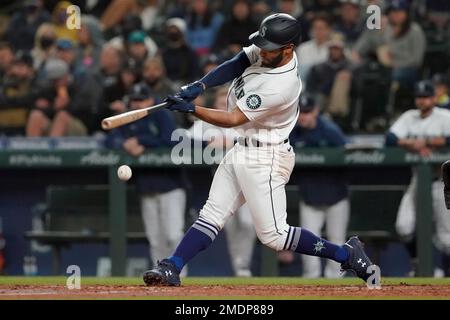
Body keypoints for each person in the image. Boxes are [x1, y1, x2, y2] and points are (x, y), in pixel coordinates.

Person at [142, 13, 374, 286]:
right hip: (242, 148)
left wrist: (192, 109)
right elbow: (238, 61)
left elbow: (233, 119)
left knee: (275, 237)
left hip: (266, 157)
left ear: (288, 49)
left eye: (269, 48)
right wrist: (200, 85)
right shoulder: (270, 51)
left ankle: (346, 254)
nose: (262, 51)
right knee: (211, 214)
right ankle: (172, 266)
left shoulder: (282, 86)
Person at [105, 83, 187, 274]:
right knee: (155, 238)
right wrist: (125, 143)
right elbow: (109, 139)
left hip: (171, 184)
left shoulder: (161, 113)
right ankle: (159, 273)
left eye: (141, 100)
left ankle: (179, 274)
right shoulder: (127, 118)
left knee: (173, 235)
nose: (137, 104)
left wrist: (141, 141)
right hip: (147, 186)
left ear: (150, 100)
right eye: (134, 100)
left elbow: (170, 139)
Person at [186, 86, 257, 277]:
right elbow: (182, 143)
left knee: (248, 224)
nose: (223, 107)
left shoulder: (243, 123)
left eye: (227, 103)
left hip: (243, 185)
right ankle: (240, 268)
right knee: (230, 229)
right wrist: (207, 144)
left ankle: (242, 265)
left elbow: (258, 141)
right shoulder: (203, 124)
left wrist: (231, 143)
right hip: (214, 187)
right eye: (219, 103)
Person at [385, 80, 450, 276]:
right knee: (404, 226)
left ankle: (446, 275)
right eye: (419, 97)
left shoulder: (444, 116)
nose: (422, 101)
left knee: (447, 238)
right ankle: (417, 263)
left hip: (442, 182)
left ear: (434, 98)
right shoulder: (409, 117)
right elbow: (390, 139)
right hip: (418, 181)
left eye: (426, 97)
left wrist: (428, 141)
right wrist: (412, 144)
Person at [289, 94, 350, 278]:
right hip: (310, 197)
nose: (304, 117)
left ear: (315, 111)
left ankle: (336, 285)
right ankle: (311, 281)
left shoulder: (330, 130)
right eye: (301, 113)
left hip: (336, 196)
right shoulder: (294, 133)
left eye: (307, 112)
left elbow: (347, 156)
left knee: (337, 240)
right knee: (308, 242)